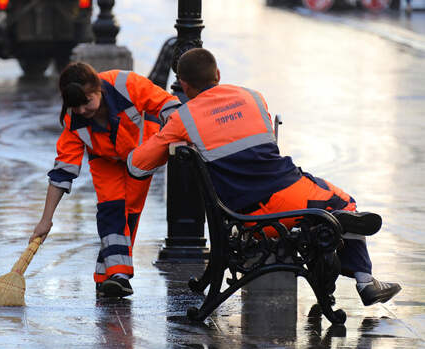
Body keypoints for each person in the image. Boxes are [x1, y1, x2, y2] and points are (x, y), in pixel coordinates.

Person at [127, 48, 401, 306]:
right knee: (345, 202)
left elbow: (137, 166)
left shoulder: (184, 119)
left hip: (248, 212)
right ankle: (362, 277)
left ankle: (329, 226)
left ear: (184, 85)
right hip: (288, 193)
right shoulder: (252, 97)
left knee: (332, 211)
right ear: (218, 74)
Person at [29, 62, 180, 298]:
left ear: (98, 89)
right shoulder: (74, 121)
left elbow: (168, 105)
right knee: (110, 209)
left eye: (86, 102)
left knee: (128, 209)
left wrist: (178, 134)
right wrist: (45, 220)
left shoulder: (126, 84)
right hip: (105, 158)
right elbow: (62, 172)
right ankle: (112, 277)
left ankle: (112, 276)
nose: (81, 111)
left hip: (143, 151)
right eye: (74, 106)